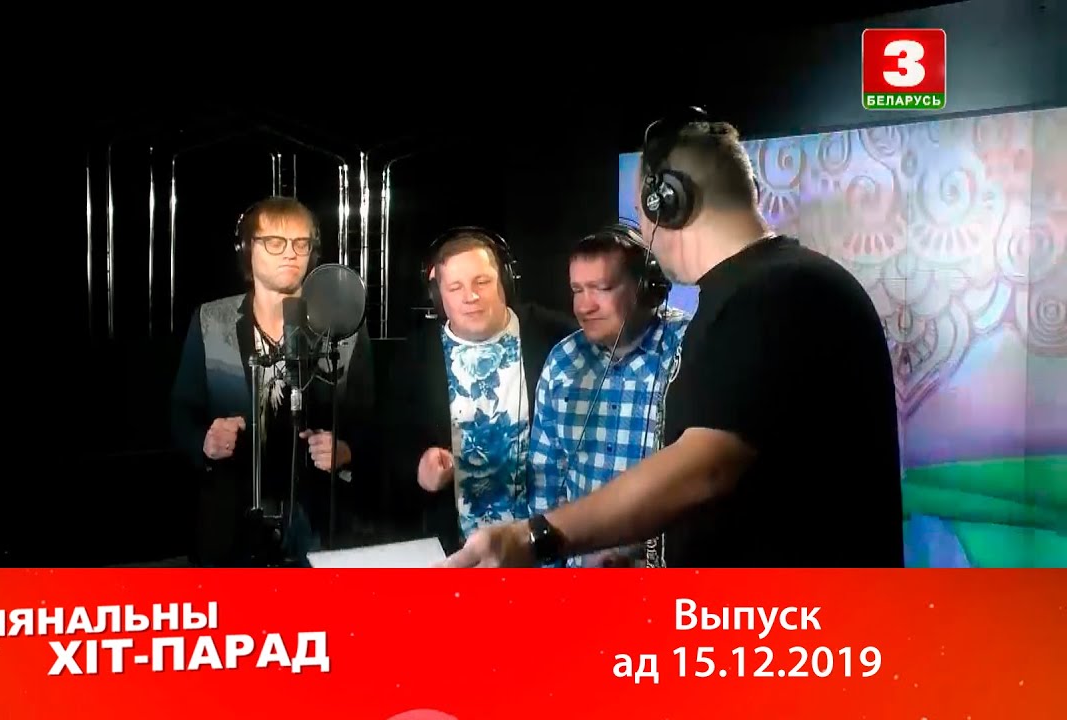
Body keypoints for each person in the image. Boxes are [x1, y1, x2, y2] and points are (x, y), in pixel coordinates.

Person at [443, 110, 904, 568]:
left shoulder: (777, 294)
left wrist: (533, 537)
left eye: (642, 210)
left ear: (667, 205)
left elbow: (706, 468)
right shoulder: (762, 290)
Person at [170, 196, 377, 566]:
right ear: (247, 249)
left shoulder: (344, 327)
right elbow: (181, 412)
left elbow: (371, 419)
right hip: (229, 522)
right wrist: (204, 441)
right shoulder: (210, 320)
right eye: (275, 242)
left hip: (320, 522)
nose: (290, 253)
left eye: (301, 243)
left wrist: (346, 451)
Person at [383, 228, 576, 555]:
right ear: (438, 296)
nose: (470, 296)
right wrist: (419, 467)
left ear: (505, 282)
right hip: (459, 552)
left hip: (547, 547)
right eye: (455, 287)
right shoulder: (413, 357)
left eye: (482, 282)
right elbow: (390, 445)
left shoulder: (556, 337)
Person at [526, 224, 689, 567]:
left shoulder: (689, 350)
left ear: (648, 288)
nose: (584, 306)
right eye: (577, 290)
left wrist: (636, 549)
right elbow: (546, 480)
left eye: (601, 288)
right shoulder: (563, 360)